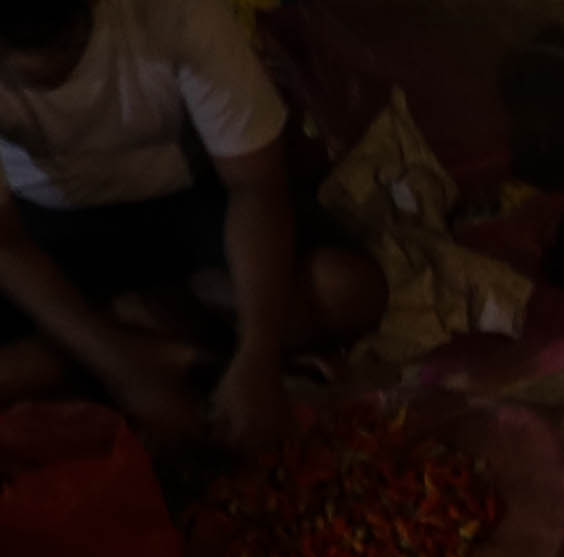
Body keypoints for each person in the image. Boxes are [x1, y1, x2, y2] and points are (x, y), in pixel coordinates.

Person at [0, 0, 362, 451]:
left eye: (66, 45)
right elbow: (6, 244)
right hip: (51, 225)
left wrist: (258, 355)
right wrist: (125, 373)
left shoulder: (177, 10)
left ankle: (139, 331)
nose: (48, 69)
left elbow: (255, 186)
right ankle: (175, 348)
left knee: (347, 289)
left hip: (188, 201)